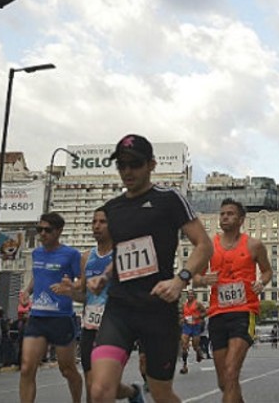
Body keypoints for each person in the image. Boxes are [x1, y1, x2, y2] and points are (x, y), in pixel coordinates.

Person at [88, 134, 214, 403]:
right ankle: (133, 393)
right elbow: (122, 253)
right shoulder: (113, 208)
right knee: (99, 390)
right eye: (121, 165)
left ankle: (140, 392)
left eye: (135, 164)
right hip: (119, 309)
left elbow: (204, 245)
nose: (127, 171)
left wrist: (180, 280)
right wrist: (105, 276)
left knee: (161, 393)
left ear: (151, 165)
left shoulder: (169, 199)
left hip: (158, 310)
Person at [55, 207, 144, 403]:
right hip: (90, 326)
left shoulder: (123, 255)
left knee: (103, 386)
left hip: (115, 327)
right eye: (94, 222)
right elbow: (85, 296)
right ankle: (133, 392)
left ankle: (131, 392)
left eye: (102, 222)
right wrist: (70, 292)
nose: (97, 226)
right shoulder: (86, 257)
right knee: (92, 385)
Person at [197, 198, 273, 403]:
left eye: (230, 214)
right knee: (224, 382)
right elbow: (195, 277)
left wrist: (261, 282)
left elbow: (267, 271)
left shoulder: (254, 245)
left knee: (231, 372)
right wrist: (203, 279)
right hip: (217, 313)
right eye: (222, 214)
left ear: (241, 219)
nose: (225, 217)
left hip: (244, 311)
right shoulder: (209, 245)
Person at [17, 212, 84, 402]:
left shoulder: (71, 254)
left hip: (61, 318)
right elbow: (37, 276)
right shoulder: (37, 253)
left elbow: (83, 282)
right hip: (37, 317)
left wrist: (70, 288)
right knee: (27, 368)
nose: (43, 234)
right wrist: (27, 292)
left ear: (59, 231)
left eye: (48, 230)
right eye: (39, 229)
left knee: (67, 370)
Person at [179, 290, 204, 374]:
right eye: (188, 294)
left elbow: (205, 312)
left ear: (194, 296)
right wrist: (182, 319)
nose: (190, 296)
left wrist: (198, 316)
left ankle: (198, 351)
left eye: (191, 294)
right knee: (184, 345)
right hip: (186, 326)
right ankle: (184, 366)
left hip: (196, 326)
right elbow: (181, 314)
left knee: (195, 345)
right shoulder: (184, 305)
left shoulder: (198, 304)